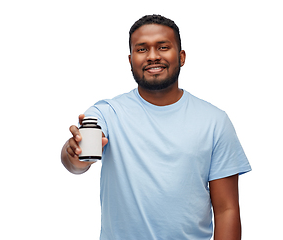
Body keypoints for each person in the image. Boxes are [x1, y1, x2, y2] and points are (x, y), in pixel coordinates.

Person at [61, 14, 251, 240]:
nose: (152, 56)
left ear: (181, 57)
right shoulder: (107, 113)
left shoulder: (215, 121)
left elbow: (227, 209)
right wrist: (75, 153)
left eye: (163, 47)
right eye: (142, 49)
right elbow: (76, 162)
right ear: (130, 60)